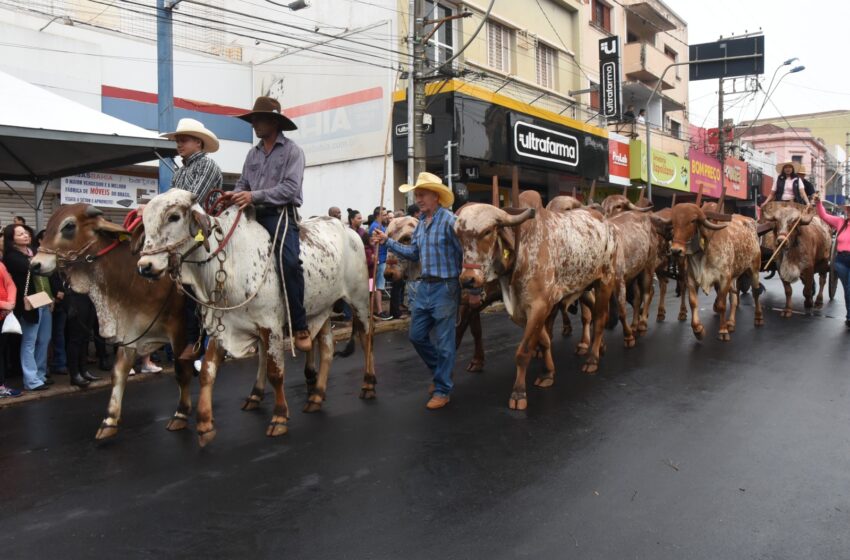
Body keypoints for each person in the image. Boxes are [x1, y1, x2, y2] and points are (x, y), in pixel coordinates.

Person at [223, 96, 312, 352]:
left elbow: (290, 189)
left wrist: (253, 196)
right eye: (253, 120)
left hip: (279, 214)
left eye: (259, 120)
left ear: (274, 122)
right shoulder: (252, 154)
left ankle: (299, 324)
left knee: (290, 263)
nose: (254, 125)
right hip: (251, 213)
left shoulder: (293, 151)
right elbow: (243, 184)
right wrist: (235, 194)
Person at [372, 172, 463, 410]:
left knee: (444, 343)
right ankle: (440, 372)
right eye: (417, 195)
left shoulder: (450, 221)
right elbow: (414, 254)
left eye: (422, 194)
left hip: (446, 286)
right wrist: (387, 241)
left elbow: (463, 252)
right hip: (425, 286)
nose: (418, 199)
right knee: (416, 335)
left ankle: (443, 389)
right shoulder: (421, 223)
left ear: (436, 196)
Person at [159, 117, 222, 361]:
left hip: (204, 232)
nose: (178, 143)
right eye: (177, 139)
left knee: (198, 289)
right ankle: (186, 339)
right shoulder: (180, 171)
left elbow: (190, 198)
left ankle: (199, 341)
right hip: (184, 234)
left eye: (183, 139)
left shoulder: (207, 165)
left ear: (198, 142)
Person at [3, 225, 52, 391]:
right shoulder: (11, 257)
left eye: (26, 233)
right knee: (29, 341)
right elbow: (33, 267)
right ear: (12, 238)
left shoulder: (33, 252)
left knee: (44, 339)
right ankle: (31, 380)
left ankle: (40, 374)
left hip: (43, 299)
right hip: (28, 303)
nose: (25, 235)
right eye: (20, 234)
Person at [814, 191, 850, 327]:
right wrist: (818, 202)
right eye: (848, 210)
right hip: (841, 261)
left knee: (849, 289)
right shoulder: (841, 222)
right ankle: (849, 315)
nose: (849, 212)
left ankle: (849, 316)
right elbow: (823, 216)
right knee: (848, 290)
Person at [0, 258, 19, 398]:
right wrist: (5, 305)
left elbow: (10, 284)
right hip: (3, 310)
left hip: (3, 315)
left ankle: (1, 386)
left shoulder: (0, 265)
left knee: (1, 351)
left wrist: (11, 303)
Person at [368, 207, 391, 320]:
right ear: (378, 215)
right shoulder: (376, 227)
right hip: (379, 260)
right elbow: (372, 243)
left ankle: (376, 310)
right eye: (384, 214)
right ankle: (379, 311)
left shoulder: (379, 226)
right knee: (378, 287)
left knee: (375, 286)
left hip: (380, 259)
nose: (386, 216)